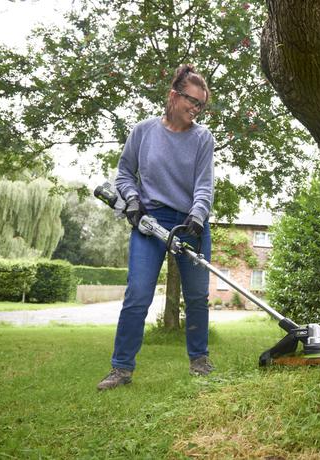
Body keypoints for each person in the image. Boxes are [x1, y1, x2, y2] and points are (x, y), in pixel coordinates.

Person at [97, 64, 215, 391]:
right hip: (150, 222)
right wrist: (133, 201)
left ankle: (199, 361)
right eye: (192, 101)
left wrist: (197, 215)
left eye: (201, 105)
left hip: (190, 223)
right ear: (173, 96)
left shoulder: (203, 138)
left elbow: (204, 185)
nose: (196, 109)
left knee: (196, 297)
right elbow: (123, 174)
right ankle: (121, 369)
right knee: (137, 294)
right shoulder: (143, 132)